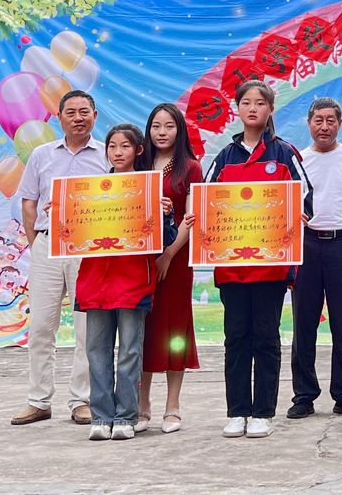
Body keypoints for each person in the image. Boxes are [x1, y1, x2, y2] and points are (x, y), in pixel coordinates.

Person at [205, 80, 313, 440]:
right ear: (237, 109)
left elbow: (305, 196)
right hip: (232, 266)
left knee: (266, 337)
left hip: (271, 265)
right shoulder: (225, 156)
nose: (253, 109)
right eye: (246, 103)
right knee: (236, 337)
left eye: (260, 103)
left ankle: (263, 412)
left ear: (270, 110)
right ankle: (237, 411)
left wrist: (299, 214)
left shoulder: (284, 153)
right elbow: (205, 199)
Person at [77, 124, 186, 441]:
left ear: (138, 150)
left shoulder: (150, 190)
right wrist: (62, 214)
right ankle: (101, 416)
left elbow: (164, 239)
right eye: (112, 146)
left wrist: (165, 215)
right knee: (96, 351)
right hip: (95, 281)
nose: (118, 152)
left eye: (125, 146)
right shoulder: (90, 190)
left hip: (133, 281)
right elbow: (75, 233)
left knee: (130, 351)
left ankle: (126, 416)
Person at [12, 89, 108, 426]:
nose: (78, 118)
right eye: (71, 112)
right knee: (41, 326)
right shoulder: (41, 155)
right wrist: (36, 241)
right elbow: (28, 201)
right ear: (59, 117)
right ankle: (38, 400)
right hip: (47, 247)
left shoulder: (107, 155)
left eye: (84, 111)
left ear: (94, 116)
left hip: (89, 250)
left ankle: (82, 400)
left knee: (87, 328)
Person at [288, 97, 342, 420]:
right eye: (318, 120)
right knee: (304, 324)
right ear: (308, 123)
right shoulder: (298, 160)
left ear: (339, 124)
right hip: (306, 246)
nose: (324, 127)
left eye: (330, 121)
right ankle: (304, 395)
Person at [138, 103, 203, 434]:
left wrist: (168, 255)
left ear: (180, 130)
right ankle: (141, 404)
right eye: (156, 126)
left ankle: (173, 406)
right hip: (140, 261)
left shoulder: (190, 168)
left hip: (175, 261)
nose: (161, 132)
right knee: (142, 330)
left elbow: (191, 219)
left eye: (169, 126)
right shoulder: (138, 164)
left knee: (175, 331)